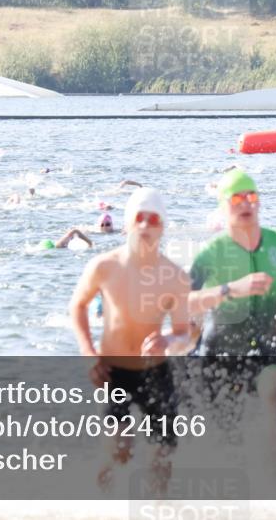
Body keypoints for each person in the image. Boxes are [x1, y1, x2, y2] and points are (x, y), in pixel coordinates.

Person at [187, 169, 276, 472]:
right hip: (219, 351)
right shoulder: (212, 252)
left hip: (267, 344)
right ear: (224, 207)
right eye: (236, 199)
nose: (245, 204)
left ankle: (272, 476)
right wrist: (231, 289)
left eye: (251, 197)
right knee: (226, 440)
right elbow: (183, 300)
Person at [69, 187, 192, 494]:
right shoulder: (104, 266)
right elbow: (78, 306)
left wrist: (168, 341)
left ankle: (159, 510)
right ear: (126, 224)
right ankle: (99, 492)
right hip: (115, 372)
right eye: (139, 218)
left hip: (157, 372)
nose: (145, 226)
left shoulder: (174, 277)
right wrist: (88, 352)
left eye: (154, 220)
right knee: (121, 448)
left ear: (162, 227)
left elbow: (187, 332)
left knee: (162, 458)